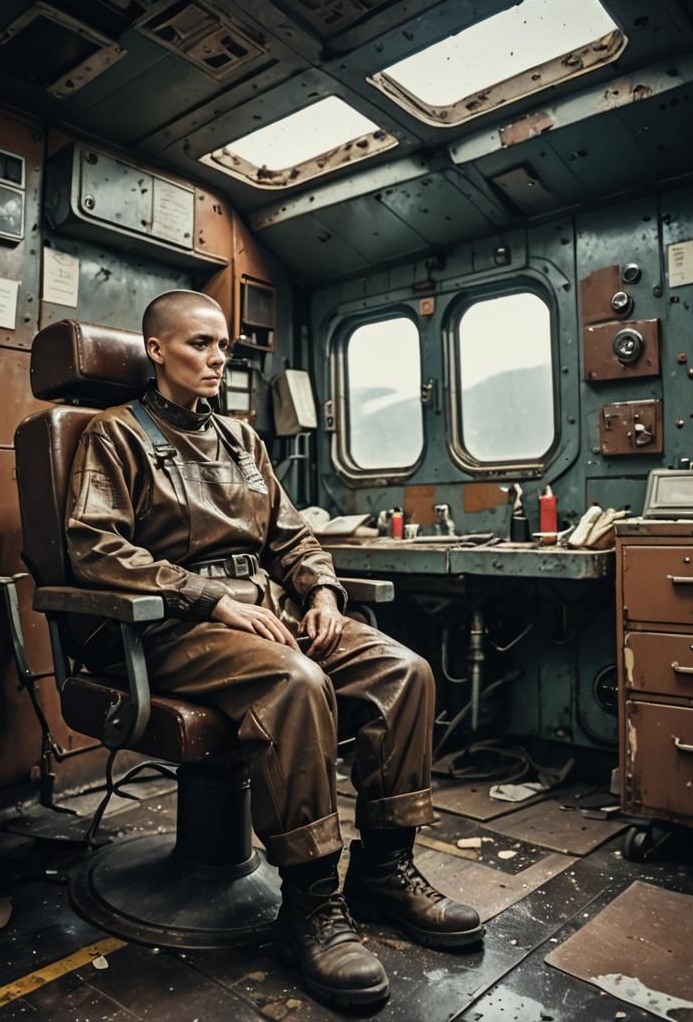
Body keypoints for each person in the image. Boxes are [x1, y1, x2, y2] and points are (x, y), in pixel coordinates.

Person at [65, 290, 483, 1009]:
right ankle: (311, 903)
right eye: (199, 344)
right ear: (157, 351)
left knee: (404, 671)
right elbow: (94, 547)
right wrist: (210, 598)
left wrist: (321, 594)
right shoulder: (115, 435)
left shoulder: (241, 440)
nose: (216, 358)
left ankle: (383, 871)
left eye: (223, 346)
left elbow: (292, 538)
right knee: (295, 682)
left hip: (270, 608)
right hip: (172, 626)